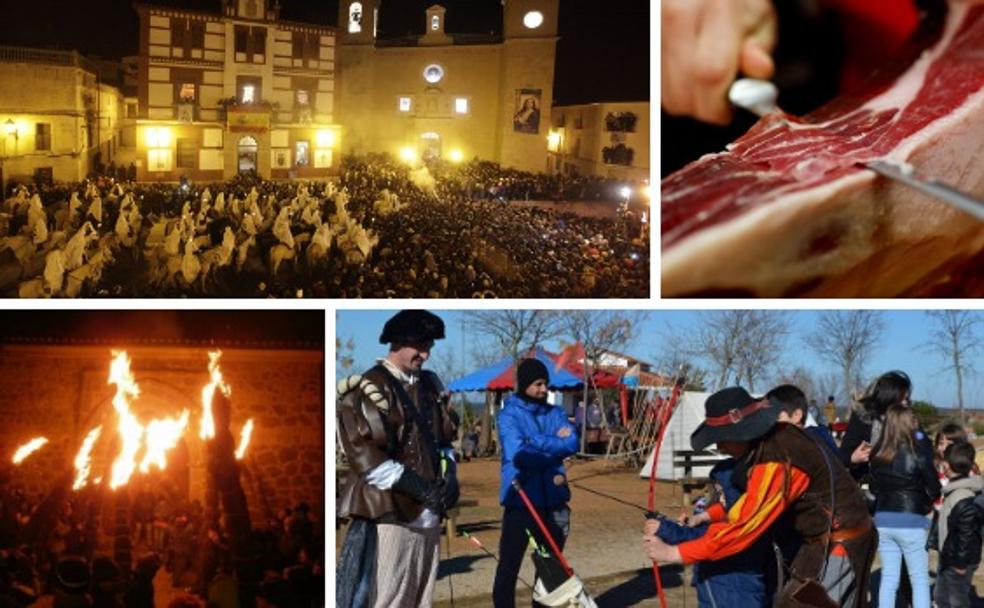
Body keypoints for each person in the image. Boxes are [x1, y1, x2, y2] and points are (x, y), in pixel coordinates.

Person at [644, 386, 875, 607]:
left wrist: (674, 553)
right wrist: (705, 517)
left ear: (742, 431)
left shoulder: (777, 459)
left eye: (723, 438)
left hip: (840, 544)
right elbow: (745, 507)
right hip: (822, 541)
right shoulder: (771, 444)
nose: (720, 446)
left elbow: (742, 528)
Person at [336, 310, 460, 608]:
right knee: (388, 599)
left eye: (429, 347)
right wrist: (419, 488)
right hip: (389, 511)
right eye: (420, 346)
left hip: (429, 515)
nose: (425, 354)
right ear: (398, 342)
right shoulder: (369, 386)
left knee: (421, 599)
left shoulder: (430, 385)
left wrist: (450, 477)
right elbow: (367, 459)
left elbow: (443, 442)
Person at [493, 358, 578, 608]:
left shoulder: (556, 412)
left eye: (546, 384)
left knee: (549, 569)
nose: (544, 389)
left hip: (554, 502)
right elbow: (518, 454)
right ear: (524, 384)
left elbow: (572, 442)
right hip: (521, 502)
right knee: (509, 567)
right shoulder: (509, 415)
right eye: (538, 384)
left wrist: (535, 441)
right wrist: (555, 448)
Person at [650, 457, 774, 607]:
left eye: (724, 493)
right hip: (724, 592)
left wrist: (664, 529)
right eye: (719, 492)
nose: (721, 498)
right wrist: (699, 518)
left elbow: (703, 539)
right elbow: (720, 513)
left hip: (732, 597)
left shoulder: (738, 526)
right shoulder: (744, 514)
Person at [868, 404, 940, 608]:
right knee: (919, 580)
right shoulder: (918, 452)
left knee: (890, 578)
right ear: (909, 423)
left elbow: (874, 487)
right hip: (910, 518)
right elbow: (934, 486)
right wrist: (923, 503)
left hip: (883, 518)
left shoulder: (878, 454)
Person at [934, 441, 984, 608]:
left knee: (956, 600)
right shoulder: (954, 492)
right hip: (950, 556)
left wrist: (961, 563)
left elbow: (966, 533)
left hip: (958, 560)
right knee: (942, 597)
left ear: (946, 466)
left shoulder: (961, 496)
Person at [839, 370, 913, 480]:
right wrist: (853, 458)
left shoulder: (908, 421)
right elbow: (842, 456)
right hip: (866, 483)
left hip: (899, 486)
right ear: (889, 397)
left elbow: (920, 442)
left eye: (907, 399)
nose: (906, 403)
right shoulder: (863, 419)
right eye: (902, 399)